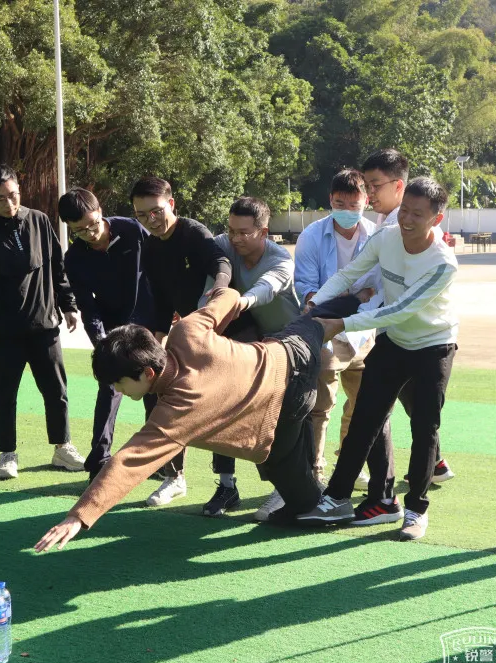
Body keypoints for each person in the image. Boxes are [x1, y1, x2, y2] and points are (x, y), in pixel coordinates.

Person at [33, 286, 366, 553]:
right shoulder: (186, 331)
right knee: (311, 321)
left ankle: (361, 305)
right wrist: (221, 293)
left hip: (292, 388)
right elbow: (230, 297)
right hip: (287, 350)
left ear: (148, 373)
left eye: (119, 382)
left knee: (299, 492)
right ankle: (355, 303)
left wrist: (79, 516)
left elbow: (129, 461)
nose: (116, 389)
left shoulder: (177, 411)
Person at [297, 178, 459, 541]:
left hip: (434, 346)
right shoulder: (385, 238)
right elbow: (349, 275)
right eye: (405, 211)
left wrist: (337, 323)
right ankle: (337, 497)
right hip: (394, 342)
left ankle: (416, 509)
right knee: (365, 417)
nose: (407, 219)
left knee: (425, 428)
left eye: (418, 214)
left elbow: (398, 310)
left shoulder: (443, 264)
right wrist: (315, 304)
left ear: (437, 217)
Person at [0, 165, 85, 480]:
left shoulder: (40, 221)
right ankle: (7, 453)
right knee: (5, 393)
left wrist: (69, 305)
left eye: (13, 195)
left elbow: (58, 267)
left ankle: (62, 447)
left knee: (56, 390)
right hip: (4, 332)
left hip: (45, 327)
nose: (9, 203)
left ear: (20, 188)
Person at [129, 176, 232, 506]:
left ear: (170, 204)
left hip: (220, 329)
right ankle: (175, 477)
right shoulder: (150, 244)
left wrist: (219, 290)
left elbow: (221, 263)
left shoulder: (192, 232)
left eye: (155, 212)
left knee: (220, 405)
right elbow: (160, 295)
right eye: (141, 215)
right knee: (160, 395)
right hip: (183, 332)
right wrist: (157, 334)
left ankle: (227, 485)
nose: (150, 221)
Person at [293, 168, 394, 493]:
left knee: (362, 404)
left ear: (366, 201)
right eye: (340, 204)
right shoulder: (312, 235)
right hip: (323, 330)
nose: (347, 212)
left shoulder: (377, 234)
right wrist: (351, 297)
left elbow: (377, 290)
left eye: (354, 205)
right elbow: (308, 289)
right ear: (330, 201)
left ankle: (349, 464)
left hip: (365, 330)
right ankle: (313, 470)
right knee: (320, 405)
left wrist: (352, 301)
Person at [361, 149, 456, 484]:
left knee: (379, 412)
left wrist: (344, 317)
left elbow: (373, 282)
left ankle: (385, 492)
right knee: (412, 407)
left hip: (413, 334)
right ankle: (434, 464)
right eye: (366, 184)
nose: (368, 192)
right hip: (391, 331)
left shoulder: (404, 227)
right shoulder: (385, 226)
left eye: (374, 185)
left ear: (397, 185)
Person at [205, 196, 301, 519]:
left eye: (244, 233)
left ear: (264, 231)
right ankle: (226, 486)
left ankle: (283, 488)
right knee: (221, 404)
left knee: (279, 418)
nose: (235, 239)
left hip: (287, 344)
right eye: (232, 231)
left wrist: (238, 304)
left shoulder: (281, 261)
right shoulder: (224, 244)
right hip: (246, 341)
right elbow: (207, 253)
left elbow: (267, 289)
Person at [57, 187, 157, 479]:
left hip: (147, 323)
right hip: (113, 331)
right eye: (79, 230)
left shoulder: (132, 230)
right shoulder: (74, 258)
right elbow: (88, 307)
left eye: (92, 224)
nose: (90, 233)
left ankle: (159, 459)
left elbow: (158, 266)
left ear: (100, 210)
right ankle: (99, 460)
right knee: (109, 388)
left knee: (154, 388)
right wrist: (102, 345)